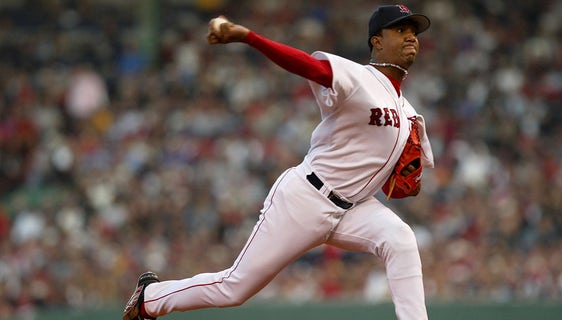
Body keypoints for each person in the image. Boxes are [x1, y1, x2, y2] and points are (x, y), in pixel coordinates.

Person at [123, 4, 435, 320]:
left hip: (355, 208)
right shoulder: (357, 76)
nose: (411, 37)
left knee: (400, 239)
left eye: (414, 32)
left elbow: (400, 186)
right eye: (400, 30)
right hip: (308, 198)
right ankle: (151, 298)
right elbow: (307, 66)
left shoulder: (409, 112)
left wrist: (407, 181)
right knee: (233, 289)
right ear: (377, 41)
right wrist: (250, 37)